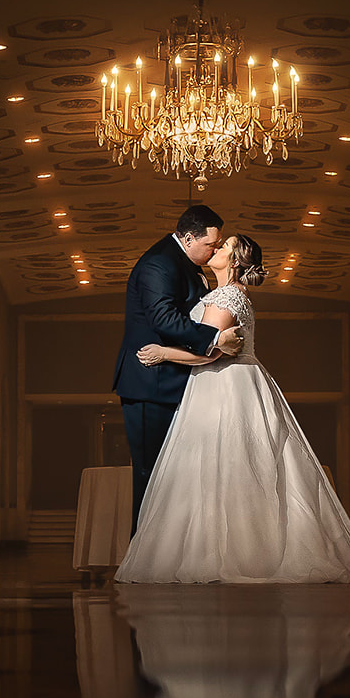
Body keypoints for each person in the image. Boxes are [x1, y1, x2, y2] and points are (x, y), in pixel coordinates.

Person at [115, 234, 350, 584]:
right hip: (221, 381)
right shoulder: (219, 291)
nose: (216, 249)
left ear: (235, 261)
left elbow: (213, 352)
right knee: (224, 467)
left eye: (223, 247)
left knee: (229, 465)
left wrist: (164, 353)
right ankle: (228, 548)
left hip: (225, 381)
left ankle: (236, 553)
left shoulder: (229, 295)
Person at [113, 204, 244, 532]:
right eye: (210, 245)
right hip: (151, 384)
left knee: (176, 476)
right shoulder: (160, 263)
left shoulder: (185, 262)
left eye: (218, 246)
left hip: (177, 382)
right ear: (188, 237)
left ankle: (168, 552)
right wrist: (216, 339)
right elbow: (164, 320)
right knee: (151, 474)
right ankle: (141, 557)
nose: (214, 249)